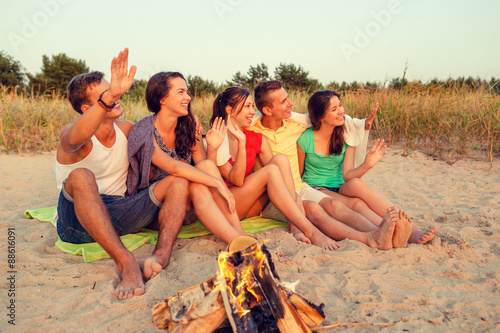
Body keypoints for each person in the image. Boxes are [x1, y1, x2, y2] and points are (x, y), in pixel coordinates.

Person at [55, 48, 191, 301]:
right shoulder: (70, 136)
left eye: (114, 91)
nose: (115, 97)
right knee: (81, 175)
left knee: (178, 182)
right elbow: (74, 138)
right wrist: (111, 96)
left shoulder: (128, 129)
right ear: (87, 108)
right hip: (76, 222)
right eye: (105, 95)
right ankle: (126, 262)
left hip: (120, 212)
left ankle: (161, 254)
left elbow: (165, 149)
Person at [249, 80, 413, 249]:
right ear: (267, 110)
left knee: (334, 205)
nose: (290, 103)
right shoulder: (252, 131)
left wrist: (363, 124)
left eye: (287, 98)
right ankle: (368, 237)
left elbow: (332, 119)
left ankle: (383, 232)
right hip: (275, 194)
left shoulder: (296, 126)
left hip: (300, 187)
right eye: (283, 101)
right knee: (315, 208)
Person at [206, 86, 339, 250]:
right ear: (230, 111)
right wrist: (241, 143)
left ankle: (296, 225)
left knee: (281, 160)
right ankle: (310, 231)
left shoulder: (255, 138)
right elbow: (237, 180)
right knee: (271, 171)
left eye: (252, 107)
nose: (252, 112)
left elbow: (279, 173)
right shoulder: (219, 138)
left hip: (254, 204)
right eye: (247, 107)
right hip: (231, 206)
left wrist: (296, 199)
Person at [126, 71, 246, 252]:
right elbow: (174, 167)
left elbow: (205, 166)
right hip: (155, 211)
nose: (188, 97)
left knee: (203, 170)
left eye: (187, 92)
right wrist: (218, 184)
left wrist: (212, 147)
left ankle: (239, 236)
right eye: (181, 92)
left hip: (188, 205)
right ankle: (237, 240)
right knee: (184, 180)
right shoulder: (143, 131)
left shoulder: (189, 126)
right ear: (162, 98)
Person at [298, 90, 437, 244]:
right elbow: (297, 176)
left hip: (341, 185)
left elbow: (348, 176)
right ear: (320, 117)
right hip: (318, 188)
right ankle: (385, 232)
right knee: (357, 204)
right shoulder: (305, 139)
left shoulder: (347, 135)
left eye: (340, 106)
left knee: (356, 184)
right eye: (334, 109)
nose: (341, 111)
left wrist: (367, 165)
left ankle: (413, 229)